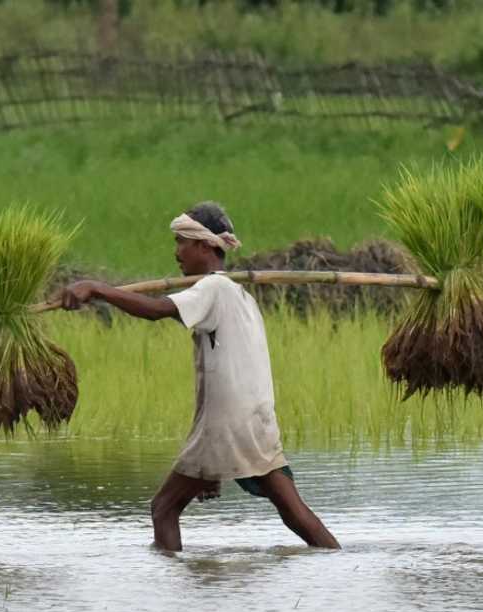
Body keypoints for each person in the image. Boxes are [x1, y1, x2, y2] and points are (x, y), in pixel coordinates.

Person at [61, 201, 340, 552]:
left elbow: (158, 310)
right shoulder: (240, 294)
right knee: (292, 512)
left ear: (204, 246)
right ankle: (336, 560)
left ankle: (174, 590)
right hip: (255, 420)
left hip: (226, 424)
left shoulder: (213, 289)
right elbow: (220, 374)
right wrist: (213, 464)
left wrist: (97, 288)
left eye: (182, 242)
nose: (176, 252)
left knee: (163, 508)